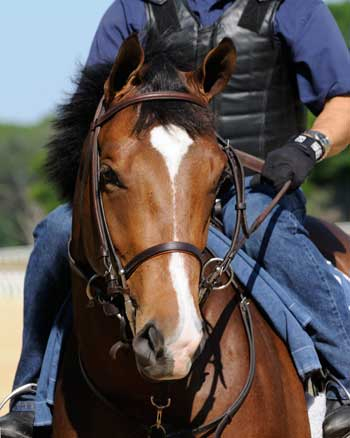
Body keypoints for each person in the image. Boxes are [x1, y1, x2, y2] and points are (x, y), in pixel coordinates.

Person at [1, 0, 350, 437]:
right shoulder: (132, 9)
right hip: (152, 190)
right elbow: (96, 106)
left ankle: (345, 380)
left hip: (258, 187)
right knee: (55, 231)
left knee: (269, 230)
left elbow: (344, 98)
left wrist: (309, 145)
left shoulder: (290, 7)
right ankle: (29, 391)